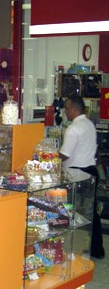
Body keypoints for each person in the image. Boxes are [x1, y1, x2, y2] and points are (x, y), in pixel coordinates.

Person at [59, 94, 104, 259]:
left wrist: (49, 157)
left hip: (76, 174)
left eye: (67, 109)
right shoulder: (89, 124)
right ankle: (97, 249)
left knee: (67, 210)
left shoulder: (73, 129)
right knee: (91, 212)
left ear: (74, 109)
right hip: (90, 171)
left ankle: (65, 248)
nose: (65, 112)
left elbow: (65, 154)